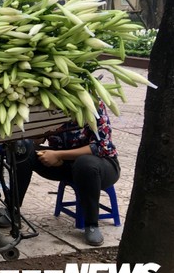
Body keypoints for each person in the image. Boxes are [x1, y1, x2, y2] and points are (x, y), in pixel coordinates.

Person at [7, 101, 120, 247]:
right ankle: (13, 210)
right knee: (22, 149)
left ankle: (91, 224)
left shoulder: (92, 103)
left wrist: (60, 155)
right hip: (62, 164)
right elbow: (38, 139)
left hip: (99, 166)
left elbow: (100, 147)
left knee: (85, 164)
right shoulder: (48, 102)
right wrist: (38, 131)